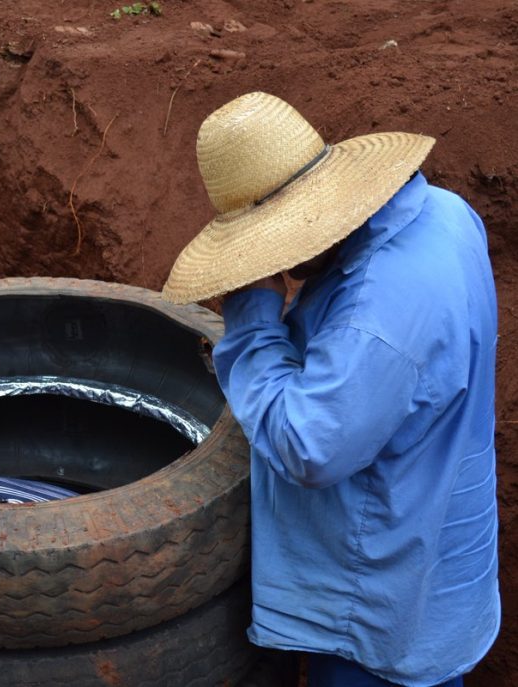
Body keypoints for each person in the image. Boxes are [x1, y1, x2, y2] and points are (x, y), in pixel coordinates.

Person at [162, 92, 499, 686]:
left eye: (276, 244)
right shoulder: (445, 214)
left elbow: (308, 447)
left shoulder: (372, 320)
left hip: (370, 610)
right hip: (443, 568)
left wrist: (254, 322)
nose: (283, 266)